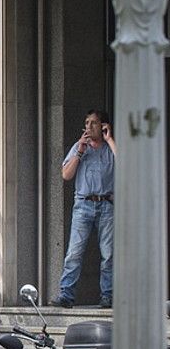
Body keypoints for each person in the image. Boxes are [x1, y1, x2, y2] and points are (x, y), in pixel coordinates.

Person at [57, 109, 115, 308]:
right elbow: (66, 174)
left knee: (108, 254)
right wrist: (80, 152)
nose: (89, 127)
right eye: (87, 122)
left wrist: (110, 140)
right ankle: (66, 294)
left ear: (104, 126)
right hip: (83, 204)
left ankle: (107, 295)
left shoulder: (110, 149)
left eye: (94, 123)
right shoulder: (79, 147)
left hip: (106, 204)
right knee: (74, 251)